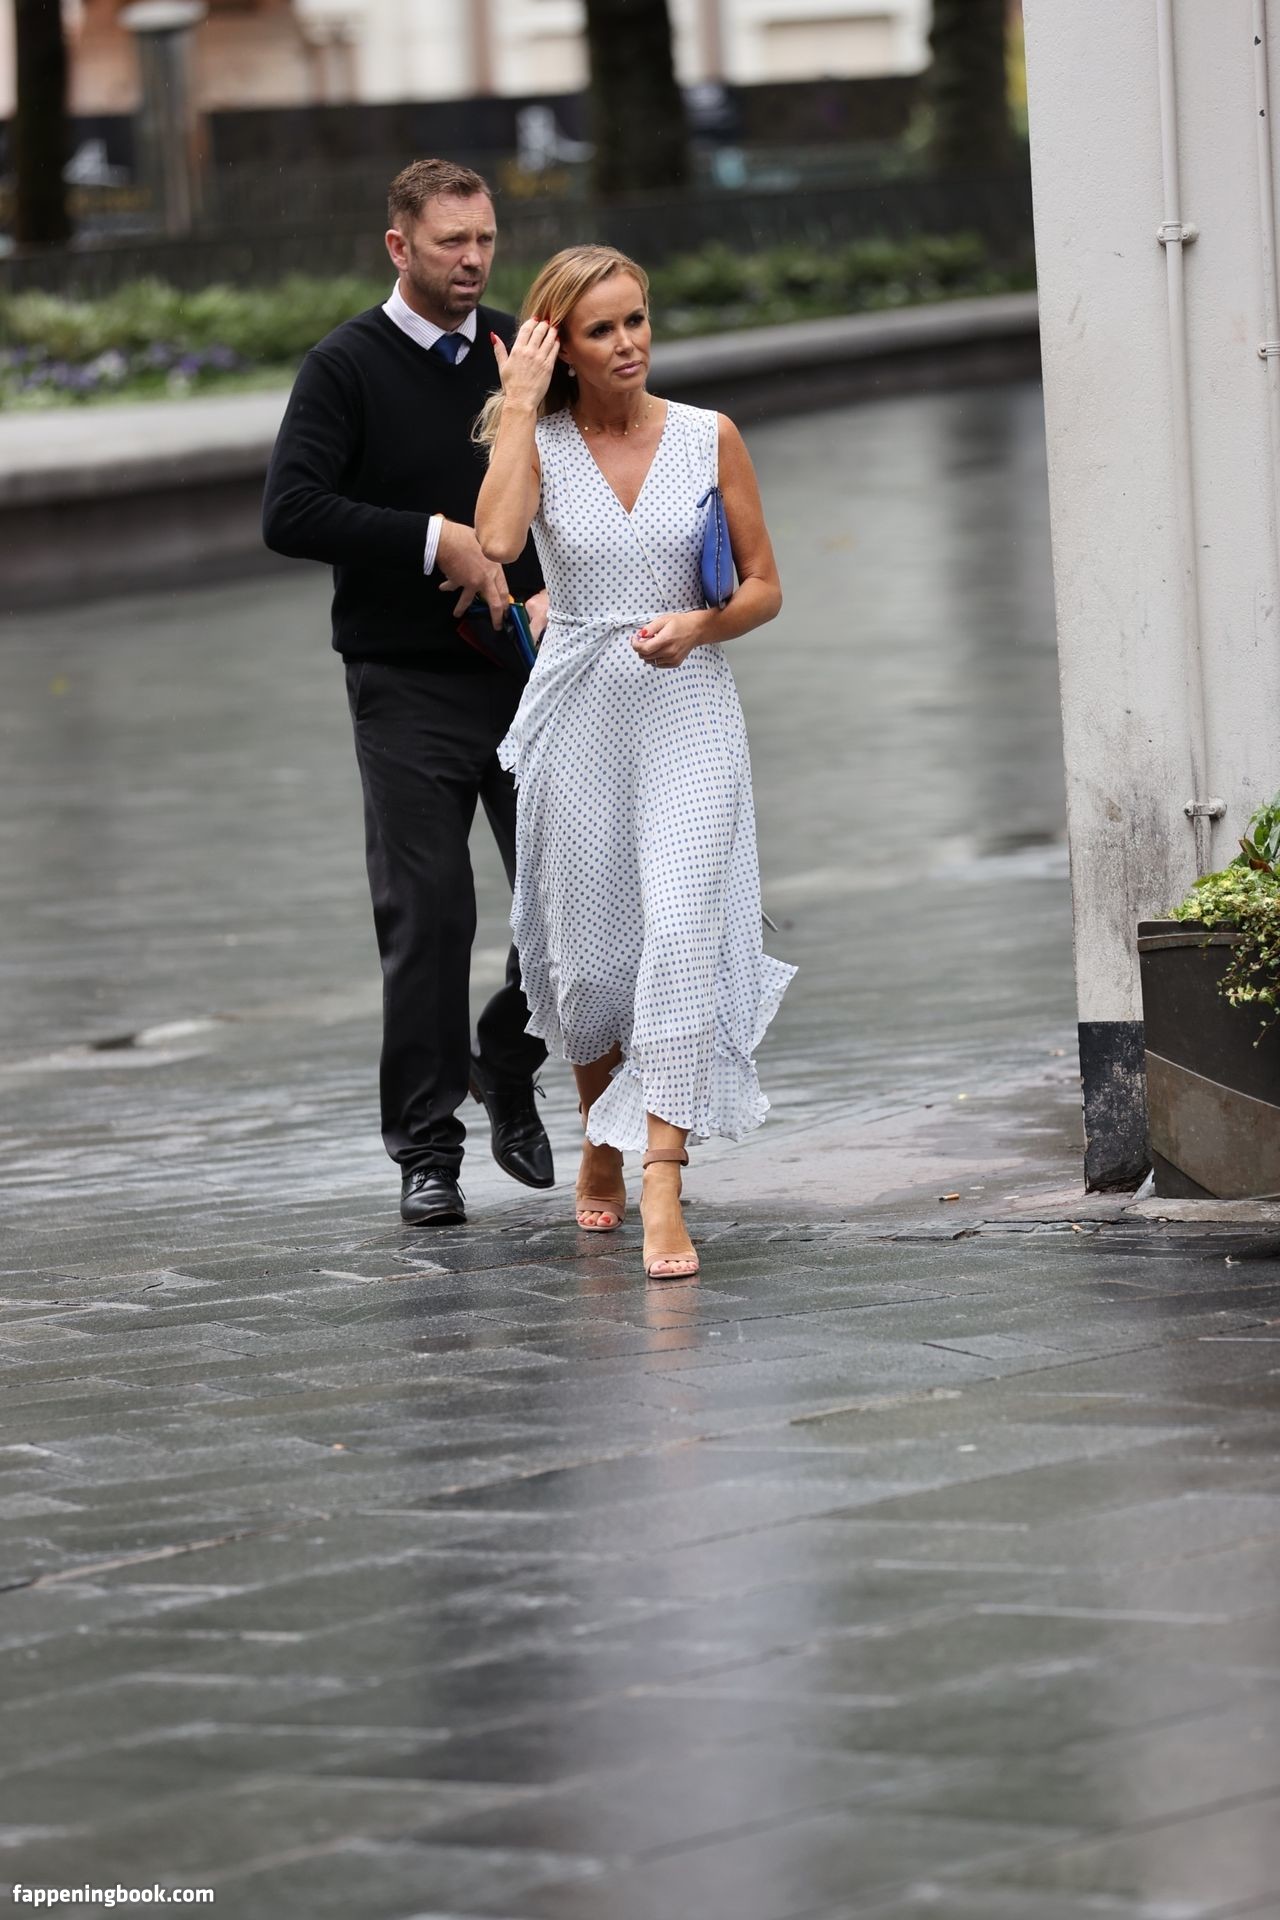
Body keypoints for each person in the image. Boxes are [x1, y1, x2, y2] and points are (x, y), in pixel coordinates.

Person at [474, 245, 795, 1280]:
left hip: (686, 707)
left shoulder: (708, 435)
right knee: (592, 960)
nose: (627, 344)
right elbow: (497, 539)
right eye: (601, 329)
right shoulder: (540, 440)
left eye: (636, 320)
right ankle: (598, 1139)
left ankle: (663, 1173)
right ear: (559, 346)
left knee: (678, 934)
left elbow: (763, 586)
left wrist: (698, 626)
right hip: (578, 708)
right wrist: (517, 408)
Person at [262, 159, 554, 1228]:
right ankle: (426, 1151)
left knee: (567, 902)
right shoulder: (344, 366)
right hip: (405, 686)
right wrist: (438, 541)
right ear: (399, 247)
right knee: (428, 916)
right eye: (450, 243)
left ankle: (507, 1055)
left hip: (531, 678)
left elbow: (572, 489)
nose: (473, 261)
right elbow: (290, 511)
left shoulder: (521, 353)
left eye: (485, 240)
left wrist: (550, 591)